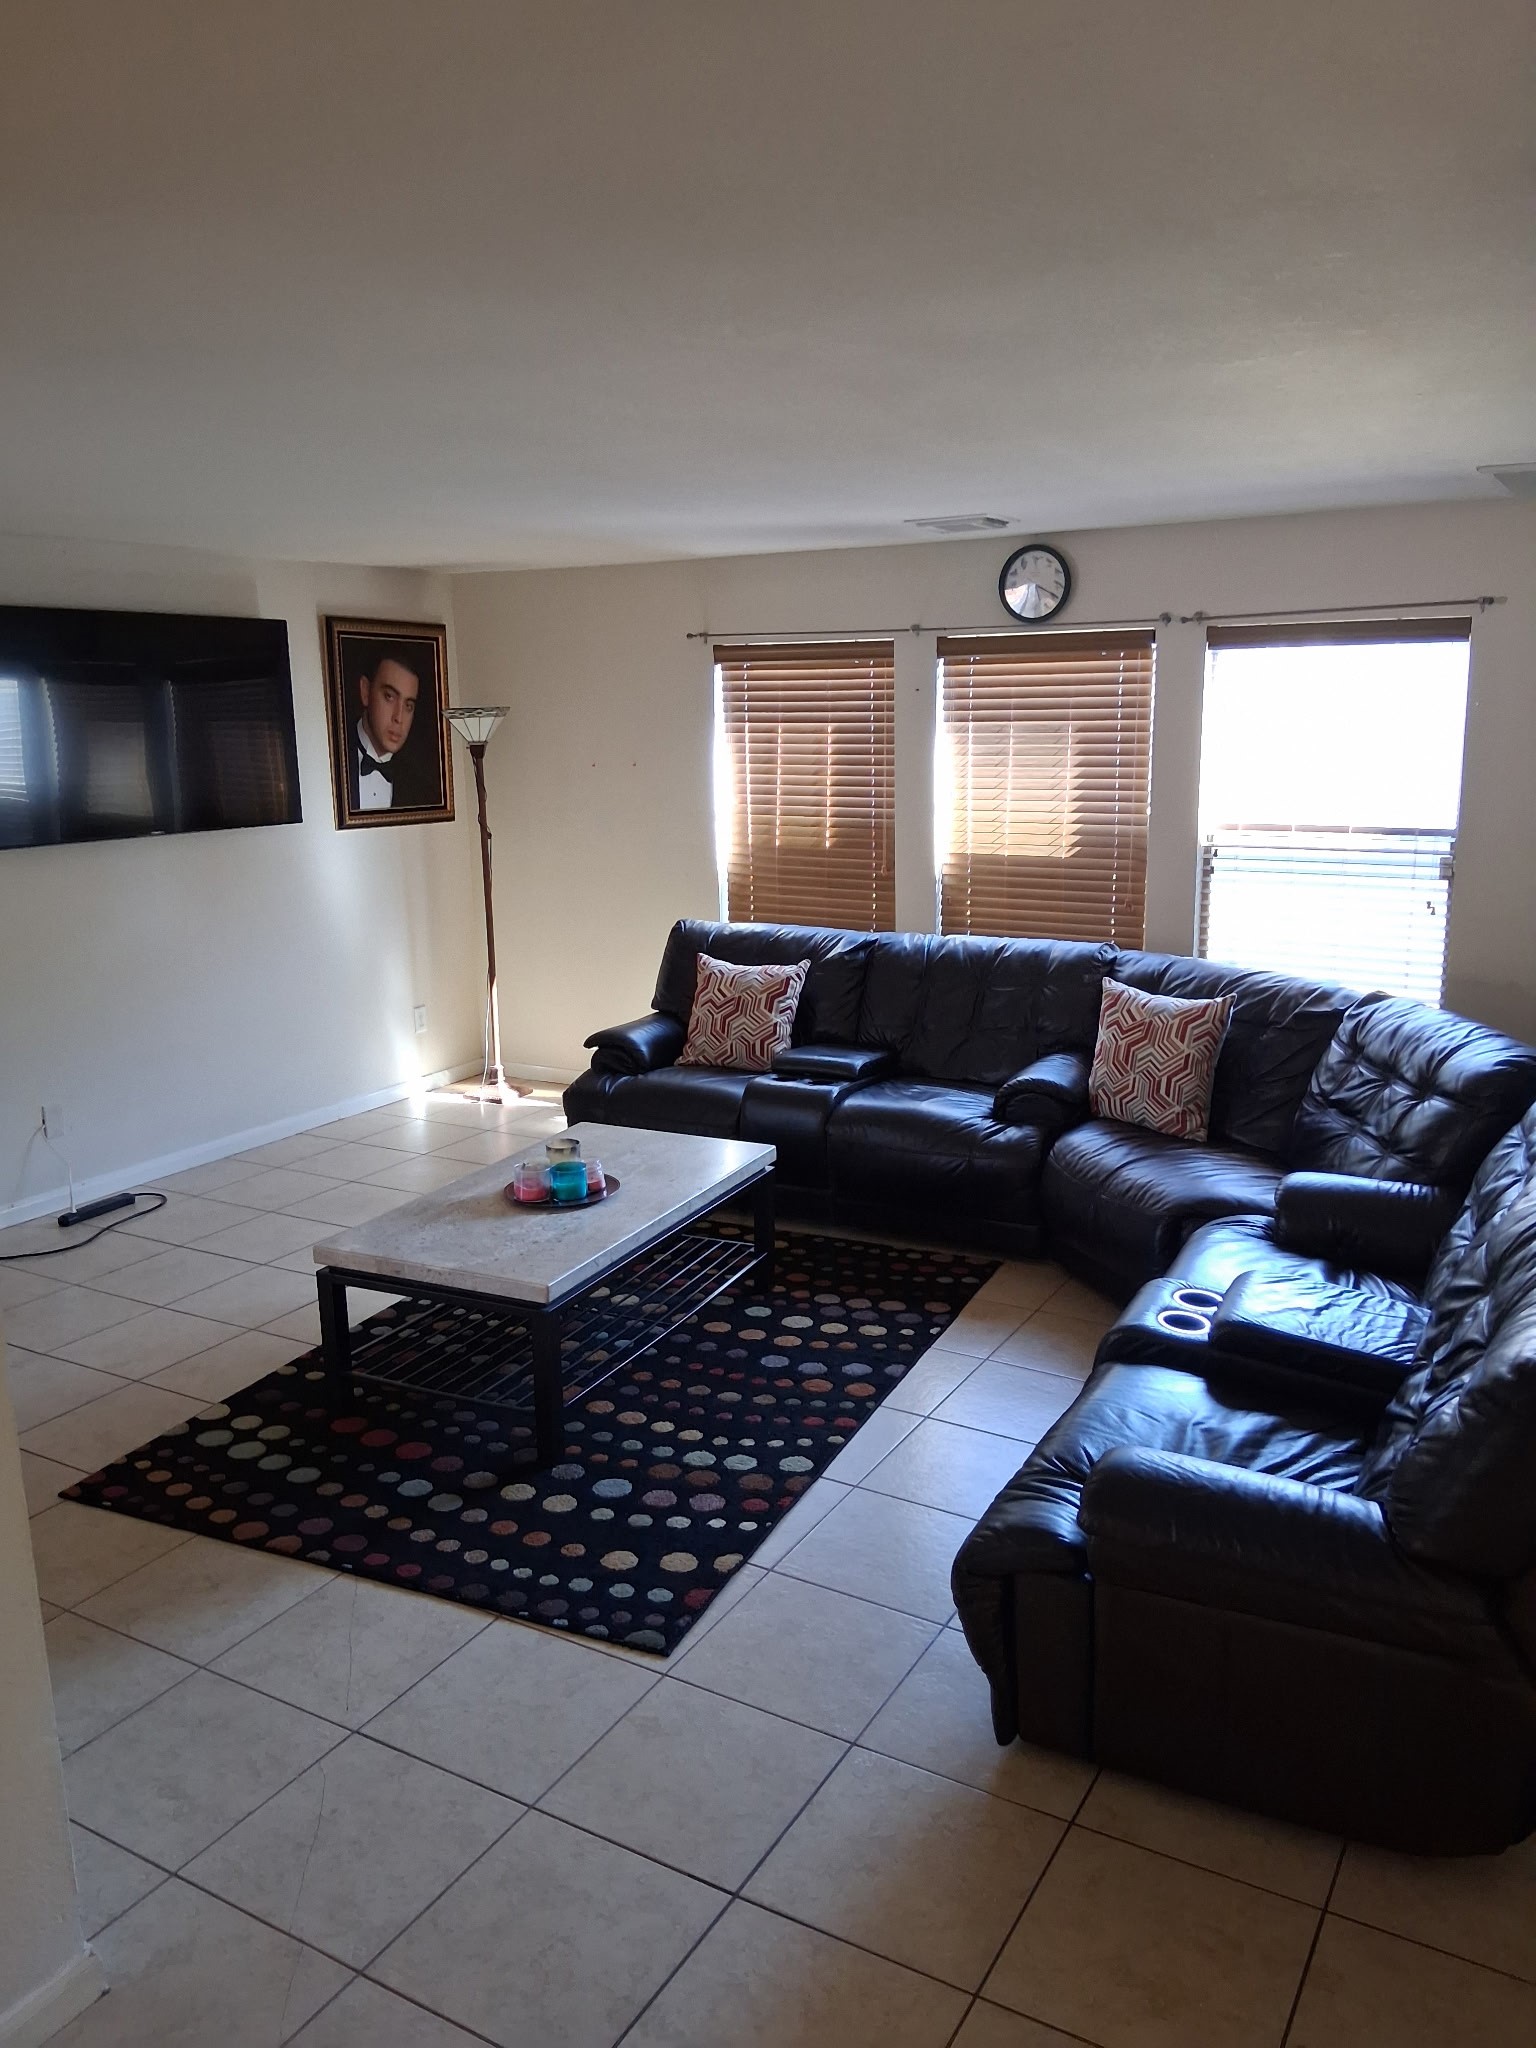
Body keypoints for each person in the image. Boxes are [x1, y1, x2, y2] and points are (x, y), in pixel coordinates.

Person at [346, 645, 438, 812]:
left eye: (408, 705)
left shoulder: (421, 790)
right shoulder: (327, 759)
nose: (399, 717)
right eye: (389, 697)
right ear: (366, 691)